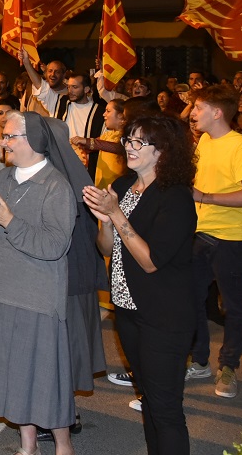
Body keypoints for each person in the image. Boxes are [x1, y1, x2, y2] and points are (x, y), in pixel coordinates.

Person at [0, 112, 78, 455]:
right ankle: (27, 446)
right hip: (0, 291)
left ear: (32, 140)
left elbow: (55, 247)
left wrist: (10, 221)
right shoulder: (3, 179)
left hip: (37, 296)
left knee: (45, 376)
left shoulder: (56, 186)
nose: (2, 141)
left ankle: (63, 446)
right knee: (14, 373)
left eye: (8, 135)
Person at [82, 115, 197, 455]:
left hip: (164, 314)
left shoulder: (175, 197)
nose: (128, 147)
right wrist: (104, 222)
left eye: (137, 142)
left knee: (165, 408)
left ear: (162, 151)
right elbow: (106, 248)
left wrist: (116, 215)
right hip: (128, 310)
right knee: (147, 399)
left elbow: (150, 261)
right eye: (127, 140)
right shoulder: (120, 186)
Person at [188, 85, 242, 398]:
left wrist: (204, 196)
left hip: (231, 239)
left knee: (232, 307)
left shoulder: (241, 146)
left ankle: (228, 366)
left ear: (217, 113)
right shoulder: (204, 140)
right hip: (199, 233)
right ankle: (200, 360)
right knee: (189, 300)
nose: (192, 113)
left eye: (198, 107)